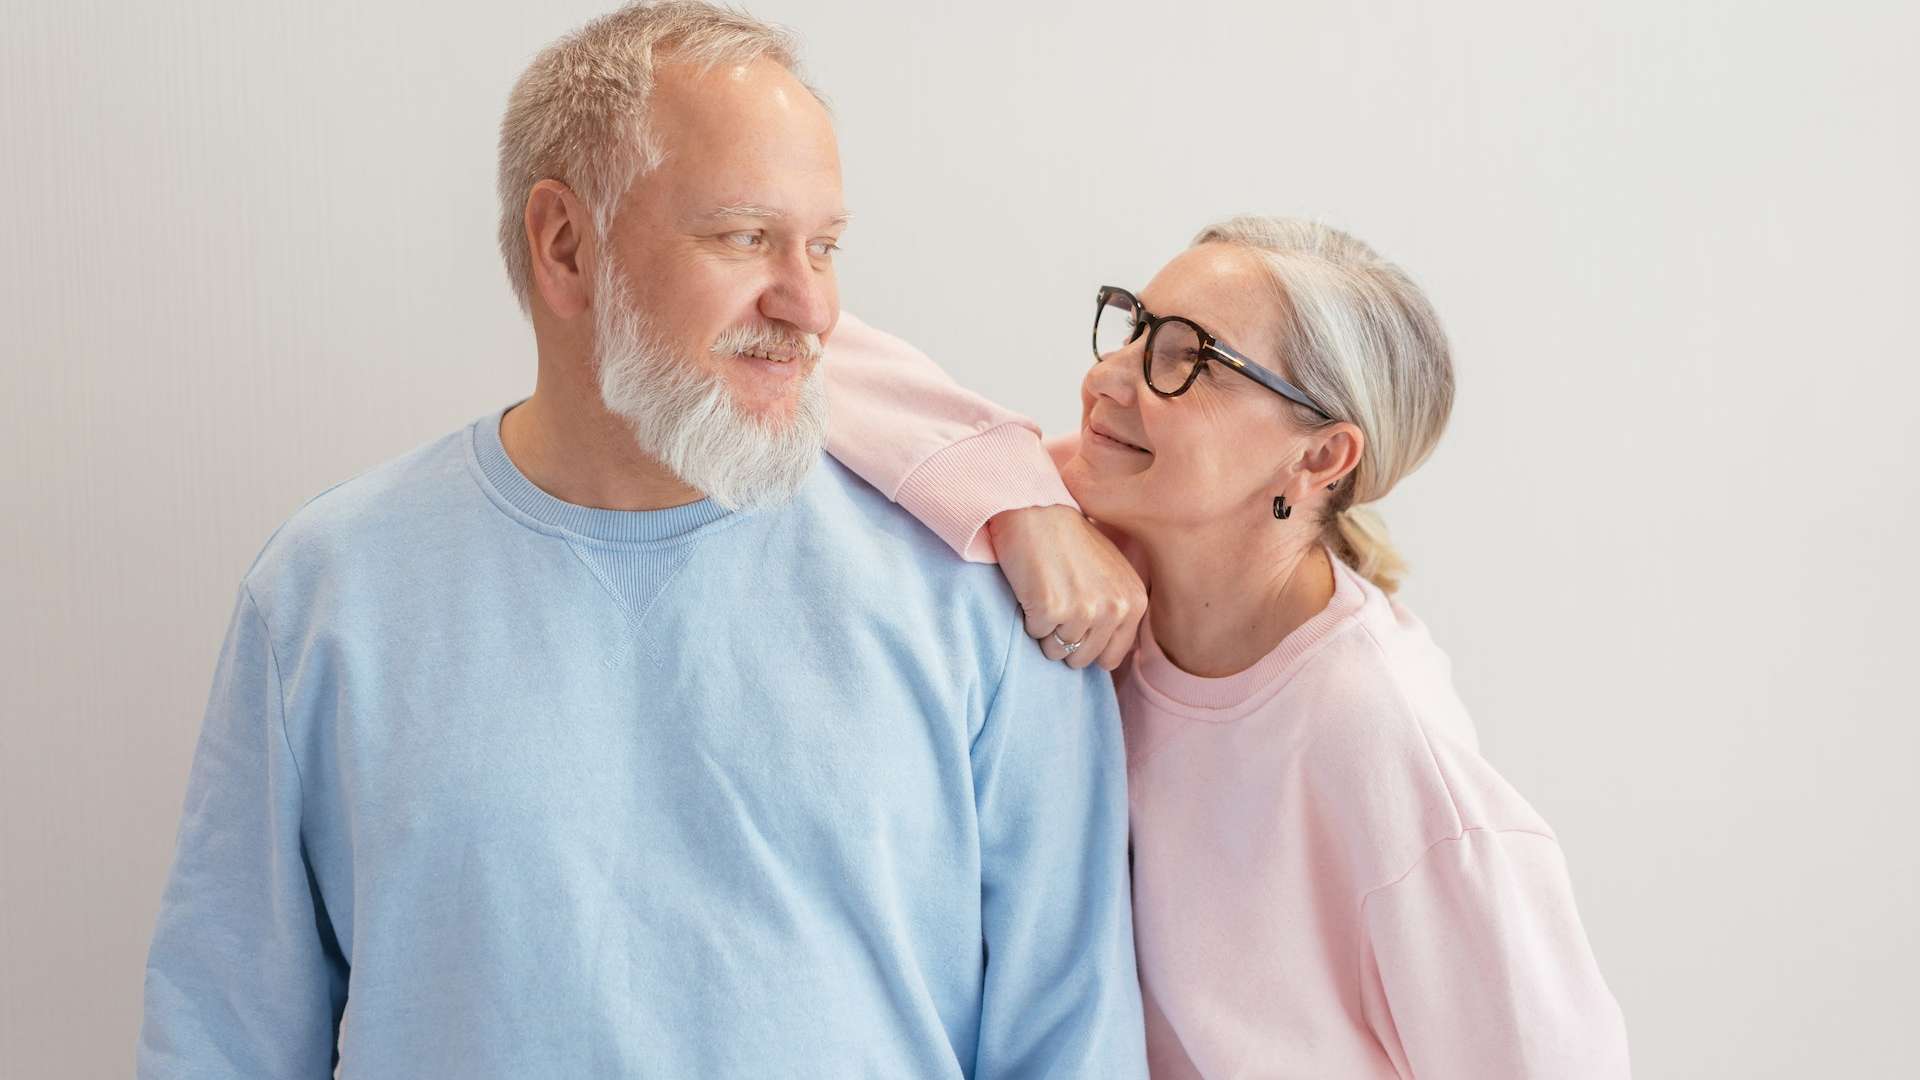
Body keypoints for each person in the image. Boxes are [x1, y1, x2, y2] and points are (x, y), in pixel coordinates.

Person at [137, 4, 1148, 1076]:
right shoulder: (327, 594)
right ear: (565, 246)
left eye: (826, 246)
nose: (810, 305)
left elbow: (1070, 1036)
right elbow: (223, 1035)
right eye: (745, 237)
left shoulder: (983, 593)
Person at [825, 216, 1633, 1077]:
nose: (1107, 377)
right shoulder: (1097, 539)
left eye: (1189, 359)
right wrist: (1019, 505)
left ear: (1321, 455)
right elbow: (806, 348)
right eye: (1136, 330)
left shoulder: (1379, 740)